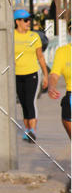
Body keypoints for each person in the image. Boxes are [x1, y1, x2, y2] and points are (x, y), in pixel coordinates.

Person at [13, 9, 48, 142]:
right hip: (17, 75)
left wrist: (45, 75)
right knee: (23, 103)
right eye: (26, 20)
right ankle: (27, 130)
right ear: (18, 22)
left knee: (30, 102)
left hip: (32, 74)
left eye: (29, 20)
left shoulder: (34, 37)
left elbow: (40, 57)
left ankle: (32, 130)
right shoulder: (12, 36)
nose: (29, 22)